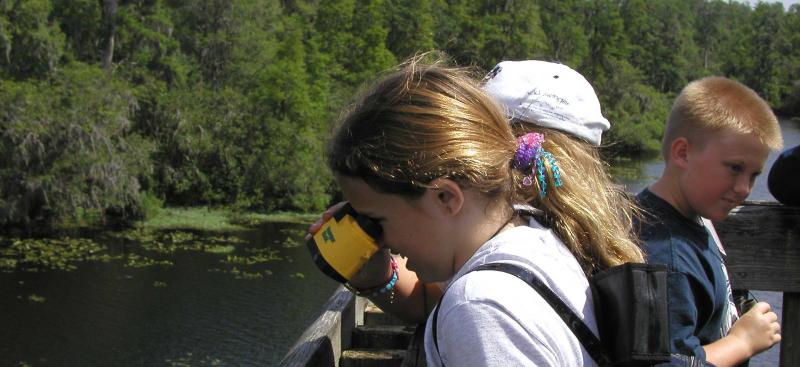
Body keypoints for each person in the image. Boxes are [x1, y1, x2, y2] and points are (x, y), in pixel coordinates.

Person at [311, 56, 644, 366]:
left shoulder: (481, 307)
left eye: (379, 221)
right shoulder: (533, 232)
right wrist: (377, 277)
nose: (378, 239)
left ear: (445, 197)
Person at [635, 76, 783, 366]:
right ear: (683, 153)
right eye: (735, 168)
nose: (744, 188)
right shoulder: (666, 255)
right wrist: (741, 342)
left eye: (754, 174)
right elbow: (667, 363)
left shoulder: (690, 219)